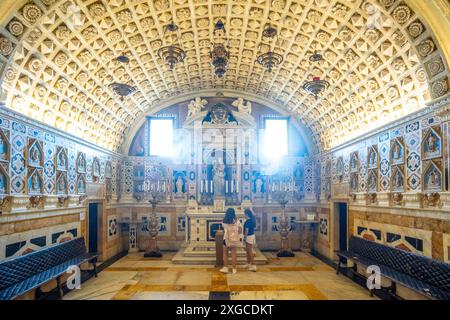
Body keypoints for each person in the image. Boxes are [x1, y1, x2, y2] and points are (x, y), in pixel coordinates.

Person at [220, 208, 242, 274]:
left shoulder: (223, 221)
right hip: (234, 239)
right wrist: (235, 234)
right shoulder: (237, 221)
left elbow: (224, 230)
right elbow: (240, 231)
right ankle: (234, 269)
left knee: (225, 254)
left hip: (226, 239)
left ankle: (226, 268)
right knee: (234, 255)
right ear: (233, 213)